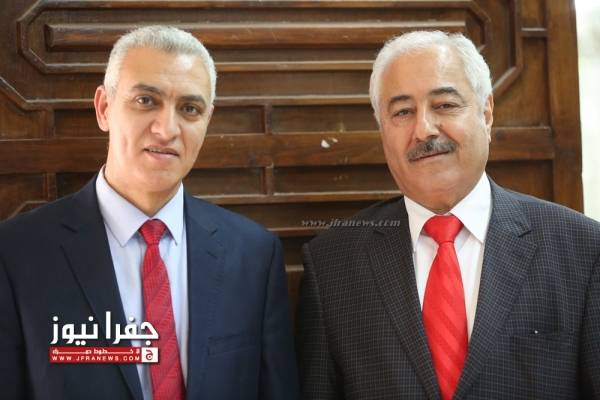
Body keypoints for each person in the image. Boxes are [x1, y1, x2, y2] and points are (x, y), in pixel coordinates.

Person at [296, 30, 600, 399]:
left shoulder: (583, 250)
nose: (424, 129)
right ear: (382, 130)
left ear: (486, 113)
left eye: (444, 105)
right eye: (403, 112)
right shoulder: (331, 265)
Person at [0, 25, 298, 400]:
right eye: (146, 101)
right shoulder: (15, 254)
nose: (166, 129)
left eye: (189, 109)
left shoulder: (254, 254)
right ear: (104, 108)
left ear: (207, 121)